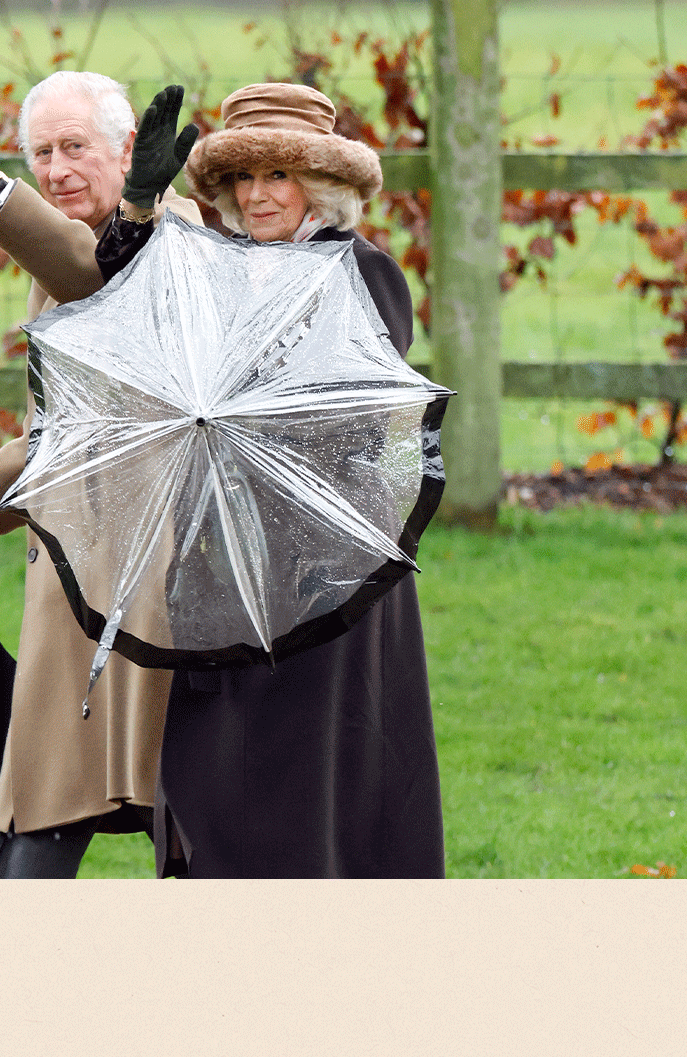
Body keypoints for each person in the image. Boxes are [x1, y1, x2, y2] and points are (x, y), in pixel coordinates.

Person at [99, 82, 446, 878]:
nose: (256, 196)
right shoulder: (209, 263)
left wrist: (230, 406)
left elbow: (354, 415)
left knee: (308, 776)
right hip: (216, 554)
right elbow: (119, 296)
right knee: (212, 773)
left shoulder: (360, 271)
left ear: (318, 188)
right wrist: (140, 200)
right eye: (241, 179)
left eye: (278, 178)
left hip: (321, 564)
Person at [0, 74, 203, 878]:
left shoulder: (180, 236)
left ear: (129, 148)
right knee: (41, 809)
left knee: (187, 816)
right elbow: (58, 437)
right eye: (41, 154)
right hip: (81, 579)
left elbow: (100, 281)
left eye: (76, 147)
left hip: (156, 577)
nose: (58, 169)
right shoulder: (71, 241)